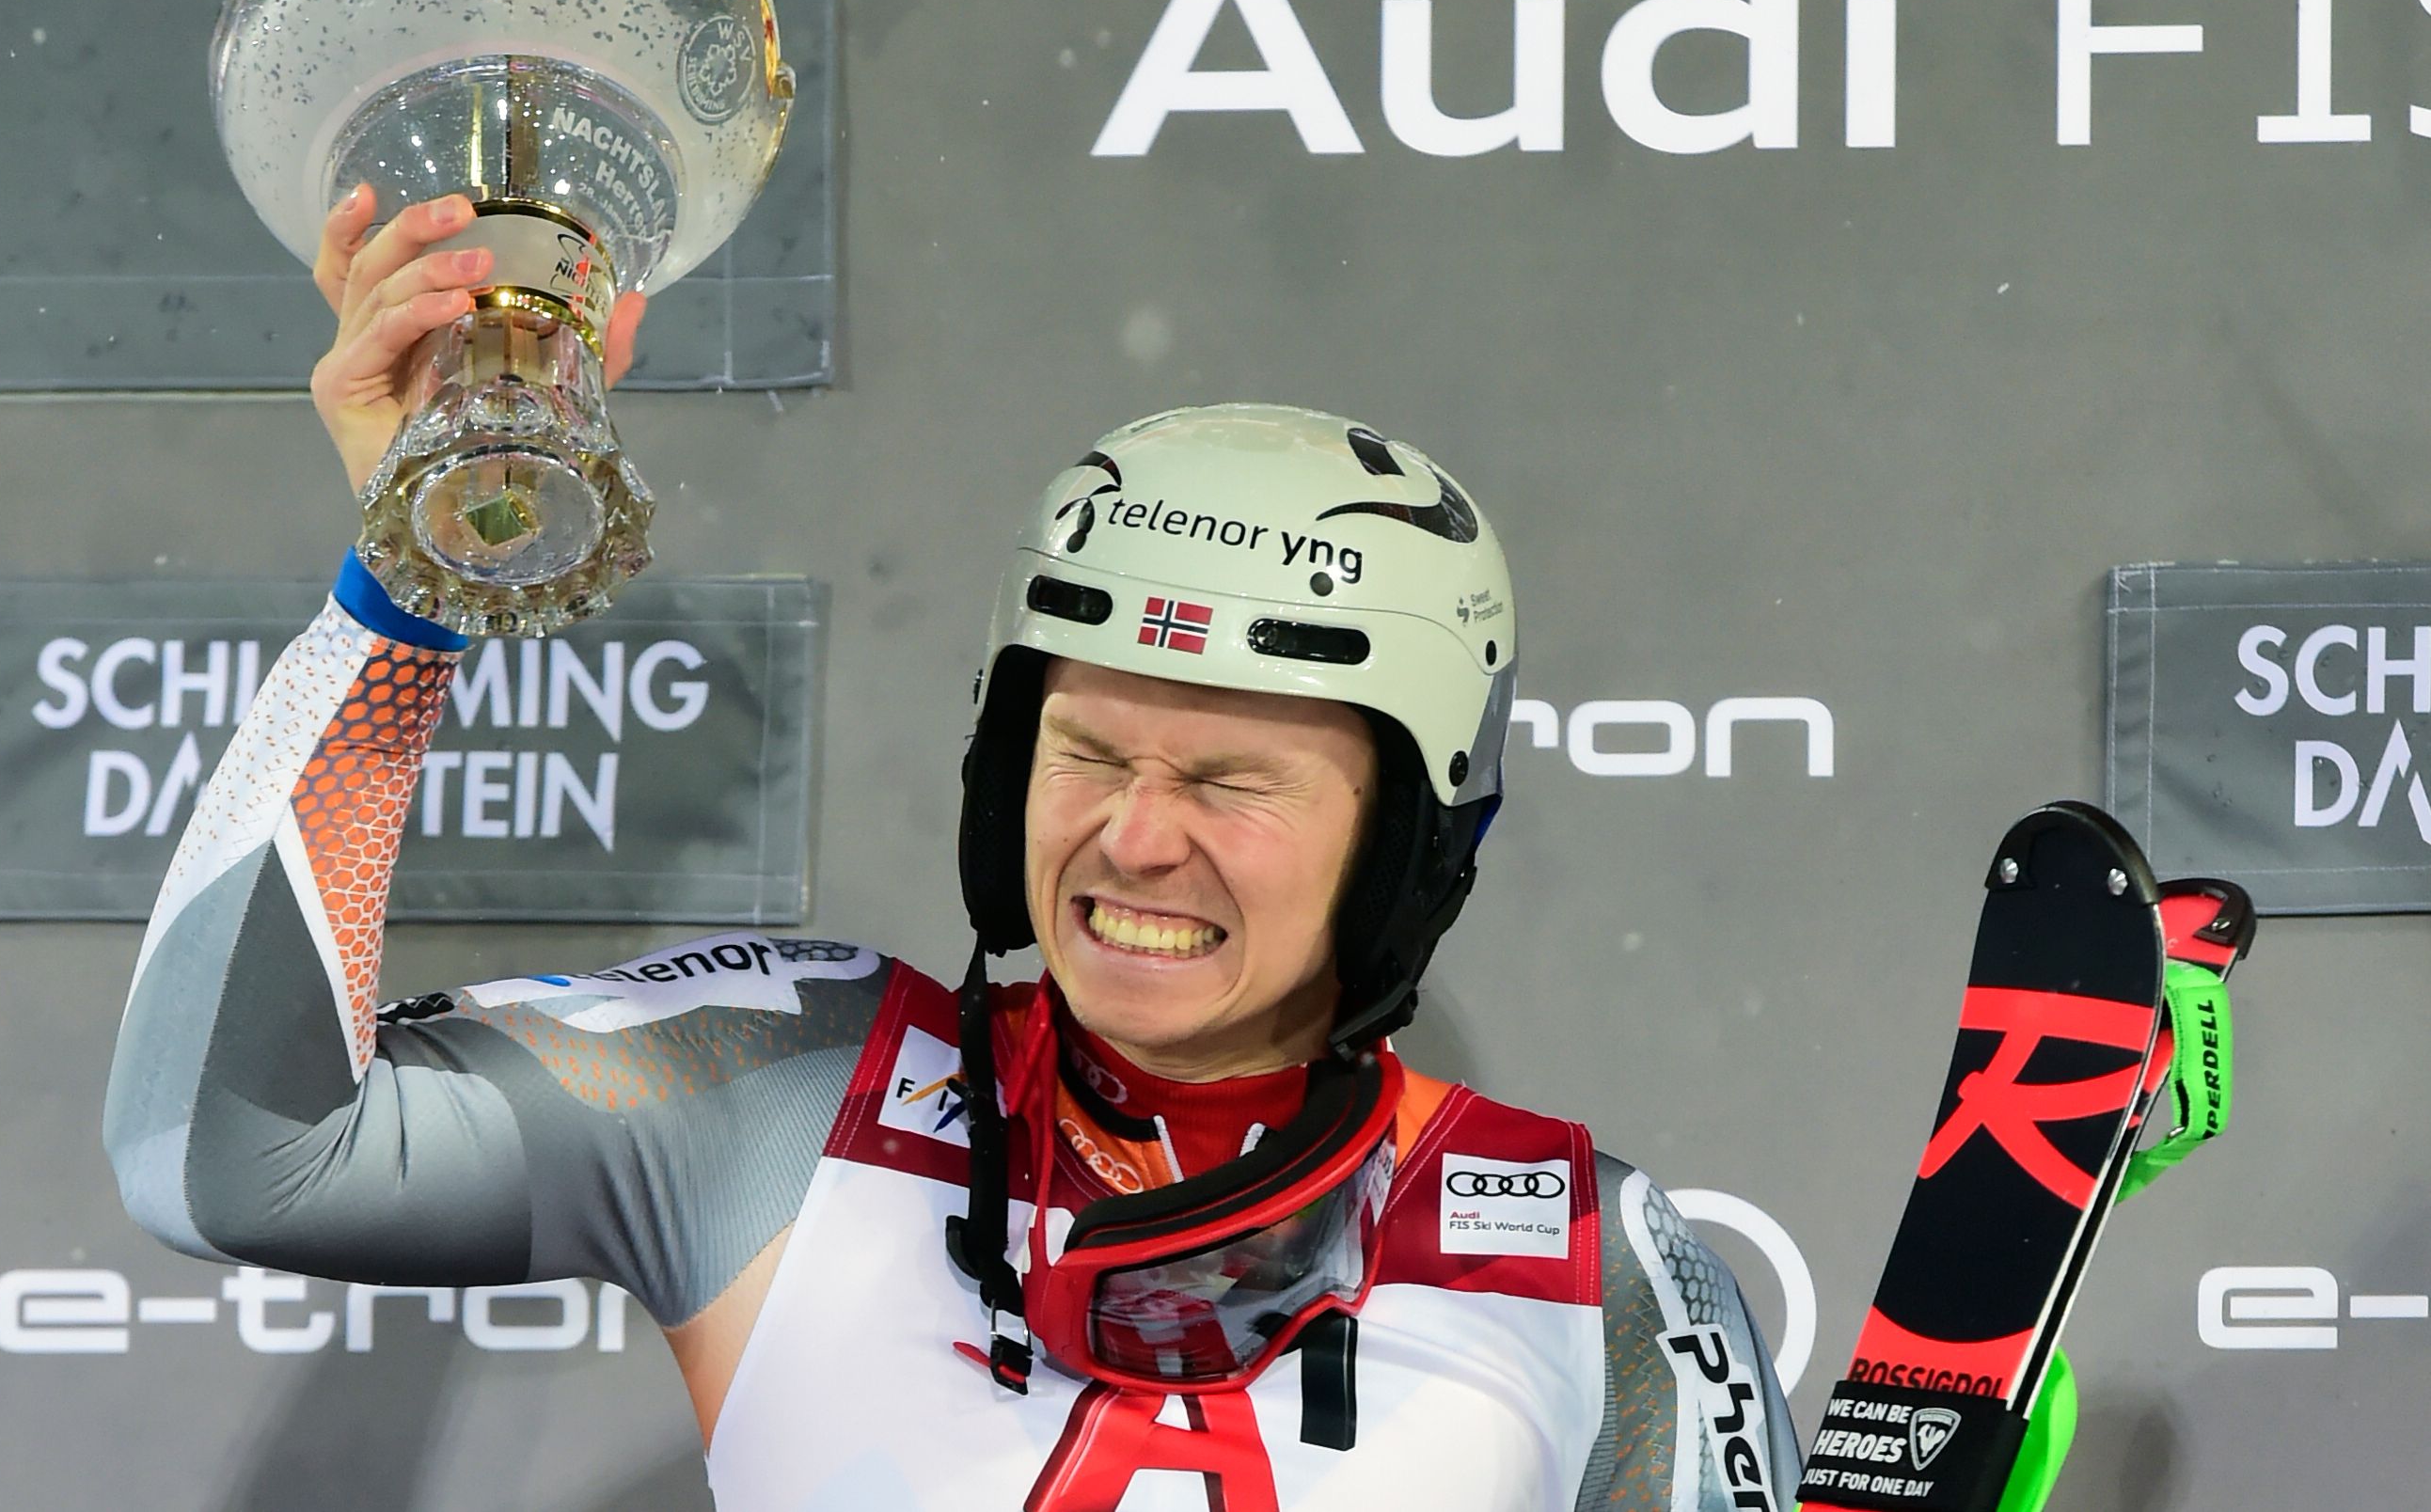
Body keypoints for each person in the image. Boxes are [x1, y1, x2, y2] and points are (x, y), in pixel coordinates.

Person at [105, 188, 1802, 1511]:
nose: (1136, 837)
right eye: (1085, 754)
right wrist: (412, 584)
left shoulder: (1586, 1259)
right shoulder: (784, 1087)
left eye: (1233, 779)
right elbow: (227, 1153)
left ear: (1411, 845)